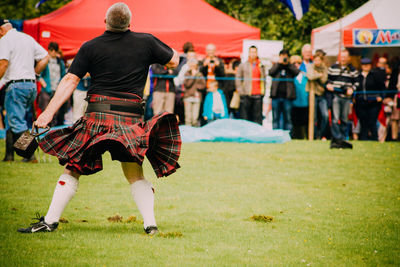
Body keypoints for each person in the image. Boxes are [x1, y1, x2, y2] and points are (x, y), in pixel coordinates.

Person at [17, 3, 180, 235]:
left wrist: (47, 113)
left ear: (105, 22)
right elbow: (174, 60)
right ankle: (150, 224)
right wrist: (152, 50)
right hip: (129, 118)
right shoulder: (146, 42)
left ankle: (50, 221)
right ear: (130, 23)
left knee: (73, 168)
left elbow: (70, 81)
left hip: (95, 116)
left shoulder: (90, 46)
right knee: (134, 172)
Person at [0, 19, 49, 162]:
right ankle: (9, 156)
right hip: (30, 85)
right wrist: (35, 73)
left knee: (16, 121)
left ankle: (30, 155)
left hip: (16, 85)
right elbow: (45, 57)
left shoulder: (5, 40)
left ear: (1, 31)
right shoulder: (27, 37)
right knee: (14, 119)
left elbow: (3, 64)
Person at [326, 49, 358, 149]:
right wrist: (328, 85)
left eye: (345, 57)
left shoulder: (353, 70)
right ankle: (337, 138)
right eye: (341, 56)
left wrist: (352, 89)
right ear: (339, 57)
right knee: (335, 119)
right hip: (336, 95)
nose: (343, 59)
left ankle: (343, 139)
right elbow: (327, 80)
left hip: (346, 97)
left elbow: (357, 82)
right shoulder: (332, 68)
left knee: (345, 118)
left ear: (348, 58)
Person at [354, 58, 385, 140]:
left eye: (367, 65)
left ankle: (375, 139)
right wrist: (354, 98)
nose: (366, 66)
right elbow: (355, 88)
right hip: (361, 103)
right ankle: (363, 139)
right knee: (363, 122)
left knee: (372, 122)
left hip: (373, 102)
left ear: (370, 66)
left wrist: (381, 97)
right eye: (364, 65)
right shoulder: (358, 76)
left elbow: (382, 87)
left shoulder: (375, 75)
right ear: (361, 66)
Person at [269, 49, 299, 131]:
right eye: (282, 56)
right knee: (275, 117)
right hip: (276, 96)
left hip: (288, 97)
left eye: (286, 57)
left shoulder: (290, 66)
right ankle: (275, 135)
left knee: (288, 118)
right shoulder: (277, 65)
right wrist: (279, 63)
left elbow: (296, 72)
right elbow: (271, 72)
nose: (284, 59)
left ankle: (288, 136)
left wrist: (288, 64)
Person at [235, 46, 266, 125]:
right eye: (251, 52)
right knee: (245, 116)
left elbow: (264, 79)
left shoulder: (261, 65)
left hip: (258, 95)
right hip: (246, 94)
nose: (253, 54)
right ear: (249, 53)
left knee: (257, 117)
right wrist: (241, 91)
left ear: (257, 53)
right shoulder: (243, 65)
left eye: (254, 52)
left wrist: (263, 92)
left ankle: (257, 134)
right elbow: (238, 78)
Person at [38, 42, 66, 125]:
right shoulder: (45, 61)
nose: (52, 52)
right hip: (46, 90)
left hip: (56, 90)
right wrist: (43, 84)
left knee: (55, 113)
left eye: (54, 51)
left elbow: (63, 75)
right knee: (45, 111)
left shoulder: (60, 62)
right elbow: (38, 74)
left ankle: (53, 130)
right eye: (51, 50)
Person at [306, 53, 329, 139]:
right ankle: (314, 136)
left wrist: (317, 75)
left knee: (325, 115)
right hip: (312, 94)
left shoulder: (324, 68)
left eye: (318, 60)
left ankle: (322, 134)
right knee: (313, 117)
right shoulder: (311, 67)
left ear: (321, 60)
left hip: (322, 94)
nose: (317, 62)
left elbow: (324, 80)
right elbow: (310, 76)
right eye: (315, 60)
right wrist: (319, 75)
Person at [183, 59, 206, 126]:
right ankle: (188, 132)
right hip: (188, 97)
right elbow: (187, 84)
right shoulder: (187, 73)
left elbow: (203, 85)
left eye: (194, 66)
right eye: (191, 66)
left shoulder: (200, 74)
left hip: (197, 97)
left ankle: (194, 133)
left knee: (195, 118)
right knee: (188, 118)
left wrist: (197, 86)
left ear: (196, 66)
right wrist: (193, 76)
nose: (192, 67)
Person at [290, 55, 309, 139]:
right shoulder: (290, 76)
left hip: (304, 102)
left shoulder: (305, 75)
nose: (296, 64)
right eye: (294, 63)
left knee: (304, 121)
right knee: (294, 121)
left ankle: (305, 137)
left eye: (298, 63)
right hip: (293, 103)